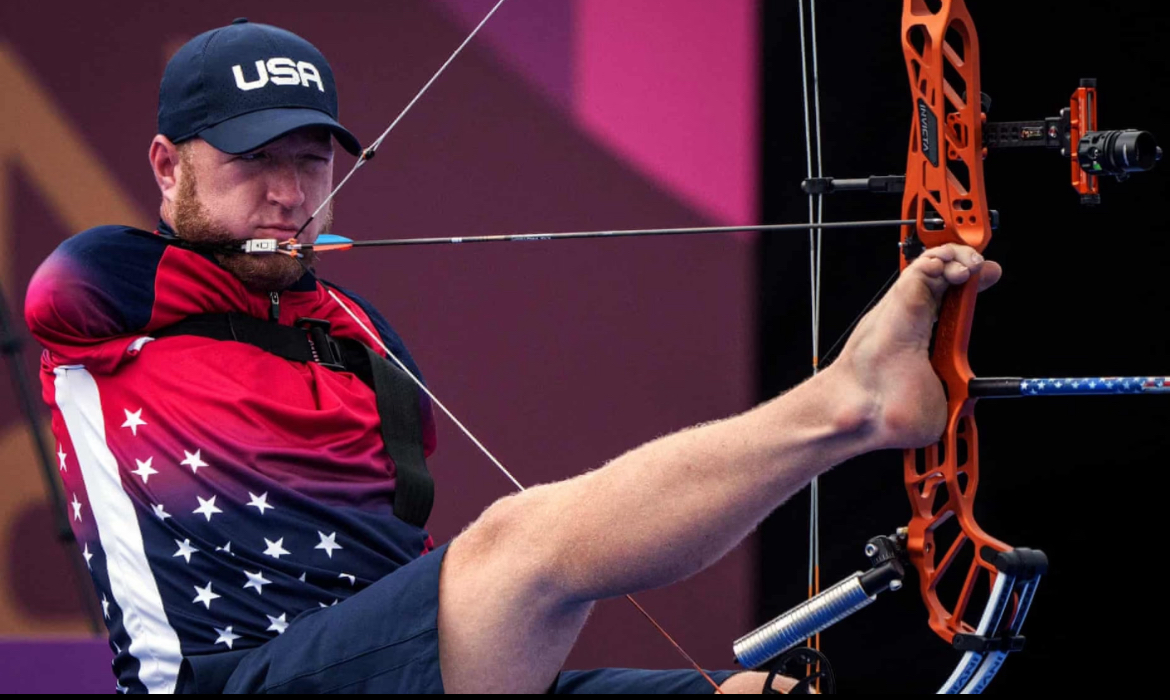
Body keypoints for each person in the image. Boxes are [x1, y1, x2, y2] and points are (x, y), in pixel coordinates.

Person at [24, 19, 1001, 694]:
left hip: (384, 671)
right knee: (521, 543)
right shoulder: (105, 293)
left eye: (311, 160)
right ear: (167, 165)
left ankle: (855, 407)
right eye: (251, 162)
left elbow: (397, 544)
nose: (287, 194)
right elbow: (70, 293)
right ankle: (849, 405)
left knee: (760, 688)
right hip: (239, 683)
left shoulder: (365, 344)